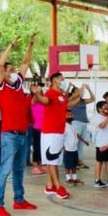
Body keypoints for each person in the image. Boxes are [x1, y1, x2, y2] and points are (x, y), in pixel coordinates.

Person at [0, 32, 38, 216]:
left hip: (23, 133)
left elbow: (26, 62)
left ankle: (19, 200)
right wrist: (10, 45)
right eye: (9, 70)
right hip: (9, 135)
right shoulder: (1, 87)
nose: (11, 71)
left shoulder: (18, 84)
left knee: (19, 169)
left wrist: (30, 43)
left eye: (12, 70)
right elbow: (0, 64)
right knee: (5, 170)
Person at [33, 72, 79, 200]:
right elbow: (44, 100)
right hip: (50, 132)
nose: (63, 80)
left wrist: (78, 96)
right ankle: (58, 187)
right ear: (54, 80)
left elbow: (67, 105)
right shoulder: (50, 93)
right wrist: (37, 94)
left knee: (53, 161)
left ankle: (49, 186)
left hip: (59, 132)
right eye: (60, 78)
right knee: (52, 160)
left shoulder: (61, 95)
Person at [92, 101, 108, 187]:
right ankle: (97, 180)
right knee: (99, 162)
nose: (106, 109)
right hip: (101, 144)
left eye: (107, 107)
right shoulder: (97, 117)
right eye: (104, 107)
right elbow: (102, 126)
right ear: (99, 109)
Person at [69, 84, 94, 169]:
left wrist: (89, 88)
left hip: (84, 123)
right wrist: (80, 90)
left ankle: (80, 161)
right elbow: (72, 97)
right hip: (76, 122)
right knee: (74, 143)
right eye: (77, 90)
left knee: (81, 145)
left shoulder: (82, 101)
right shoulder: (72, 99)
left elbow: (93, 99)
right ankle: (73, 162)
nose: (80, 91)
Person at [63, 111, 88, 186]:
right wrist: (63, 148)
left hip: (74, 149)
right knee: (68, 165)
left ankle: (74, 178)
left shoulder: (73, 125)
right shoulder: (64, 126)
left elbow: (77, 134)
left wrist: (84, 141)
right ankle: (68, 179)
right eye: (67, 115)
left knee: (74, 165)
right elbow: (62, 137)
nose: (70, 116)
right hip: (68, 149)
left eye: (71, 115)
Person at [29, 83, 45, 175]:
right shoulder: (34, 102)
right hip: (37, 128)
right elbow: (35, 97)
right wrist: (37, 92)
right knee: (36, 147)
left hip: (44, 129)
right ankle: (35, 166)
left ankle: (42, 164)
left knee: (42, 147)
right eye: (40, 93)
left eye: (41, 93)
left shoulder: (44, 103)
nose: (41, 94)